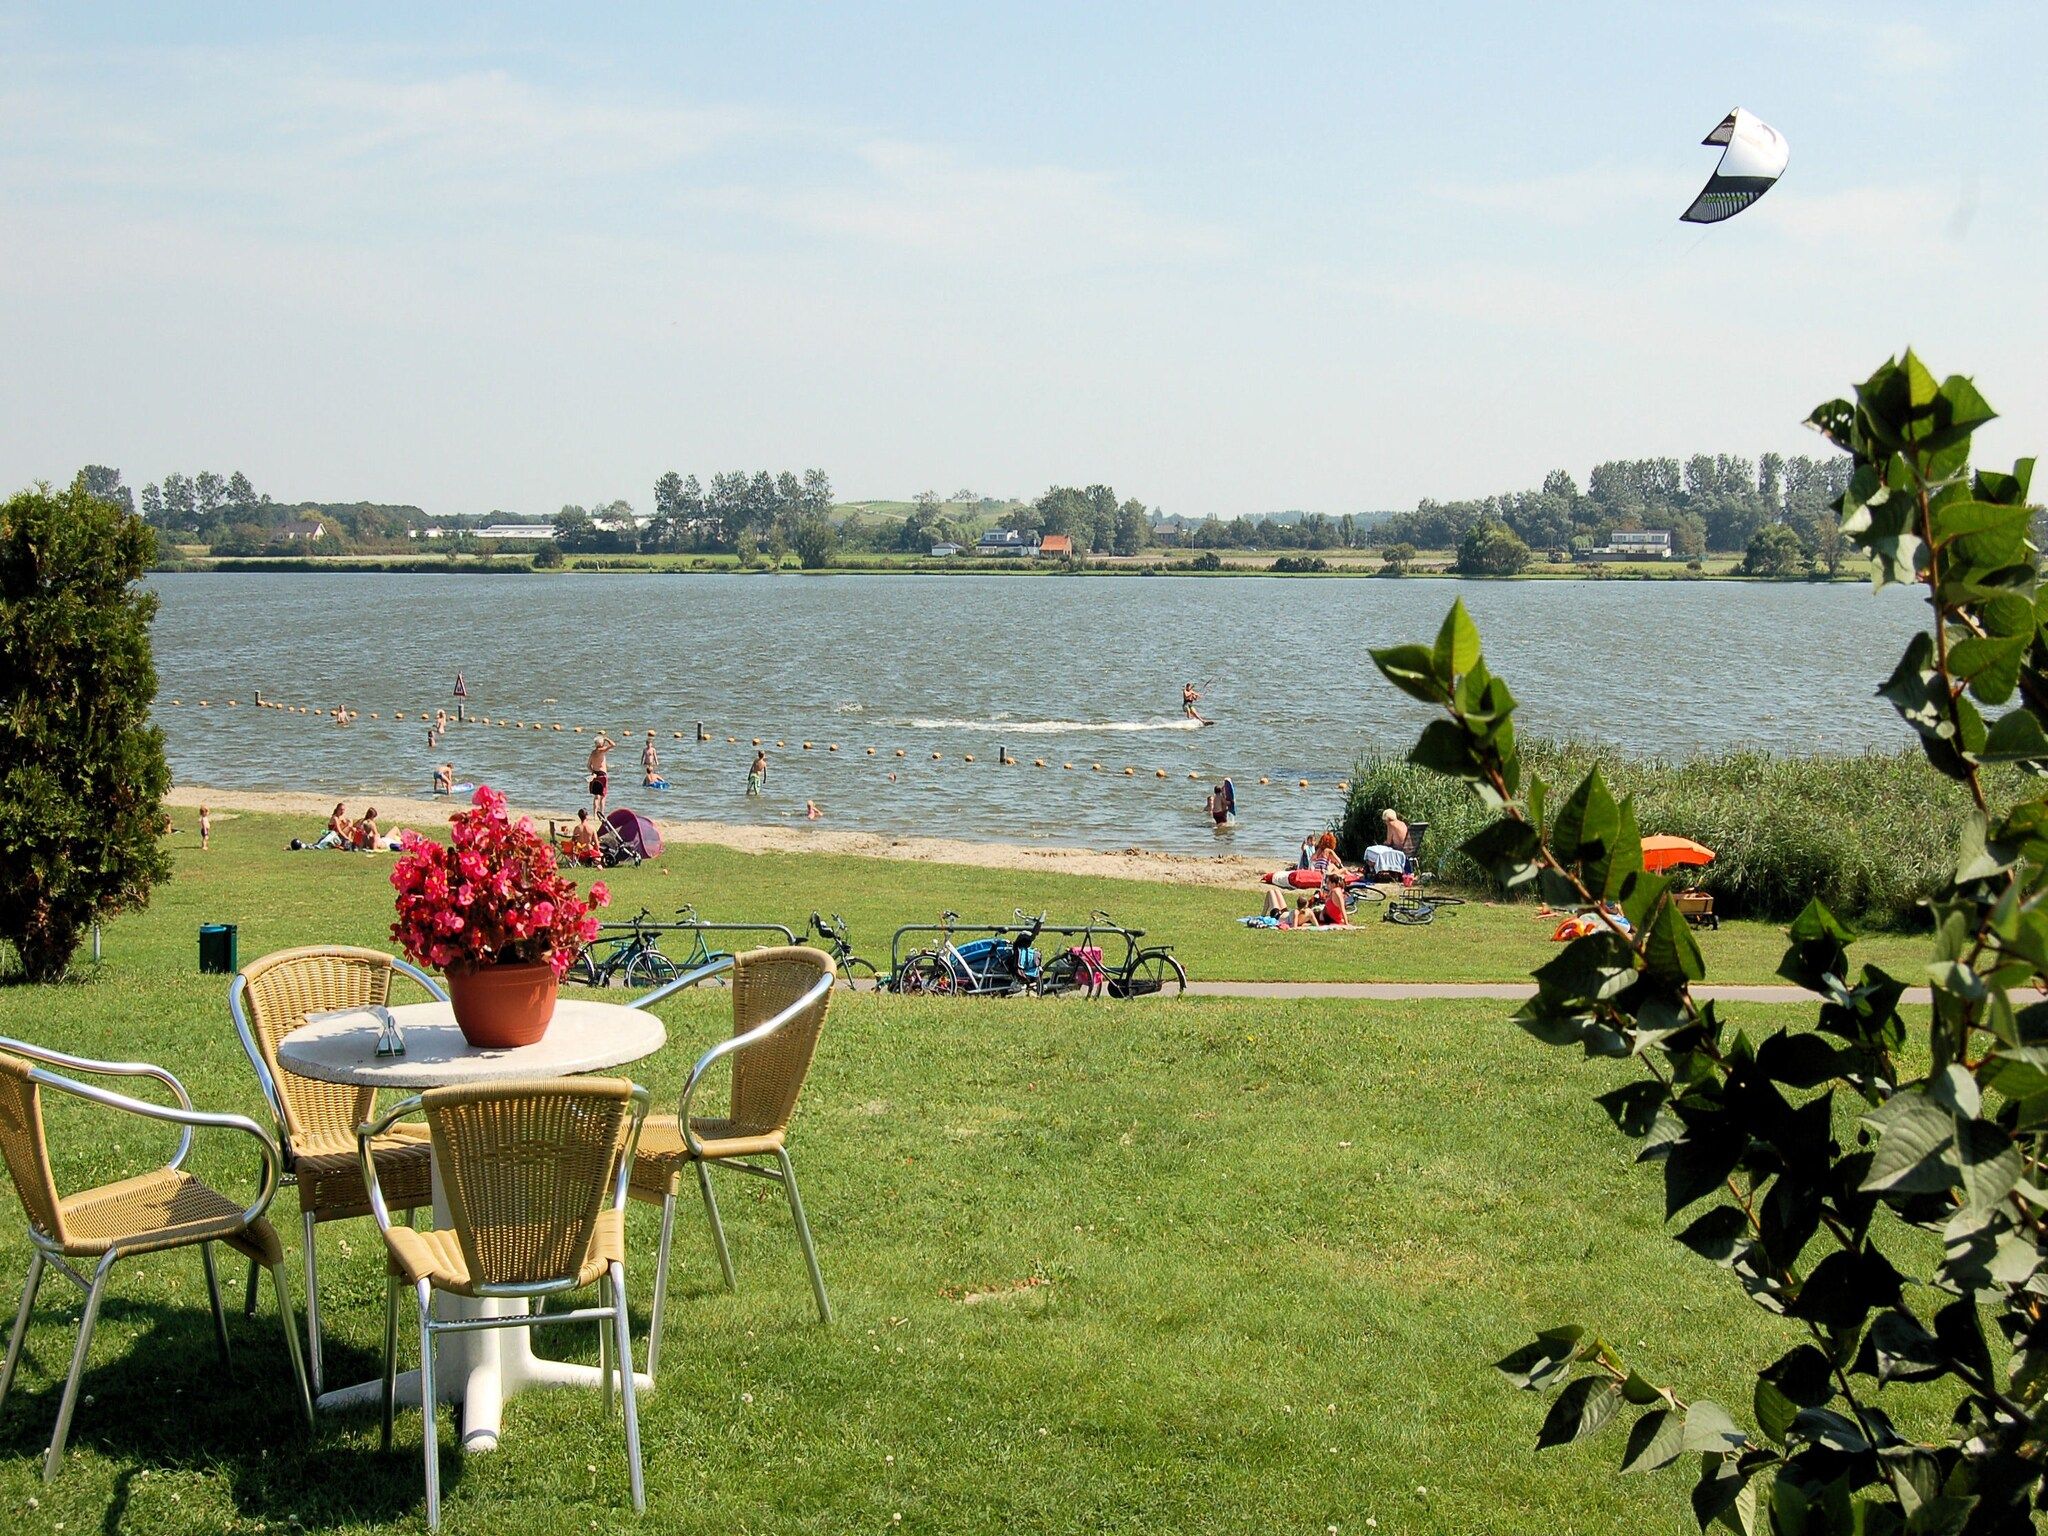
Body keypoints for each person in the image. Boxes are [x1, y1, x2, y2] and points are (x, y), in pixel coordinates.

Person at [587, 732, 615, 815]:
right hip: (602, 774)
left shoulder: (593, 752)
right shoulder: (601, 751)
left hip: (595, 774)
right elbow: (613, 745)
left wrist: (592, 772)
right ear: (601, 743)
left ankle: (595, 815)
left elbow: (588, 765)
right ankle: (602, 813)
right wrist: (606, 739)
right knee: (603, 796)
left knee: (596, 797)